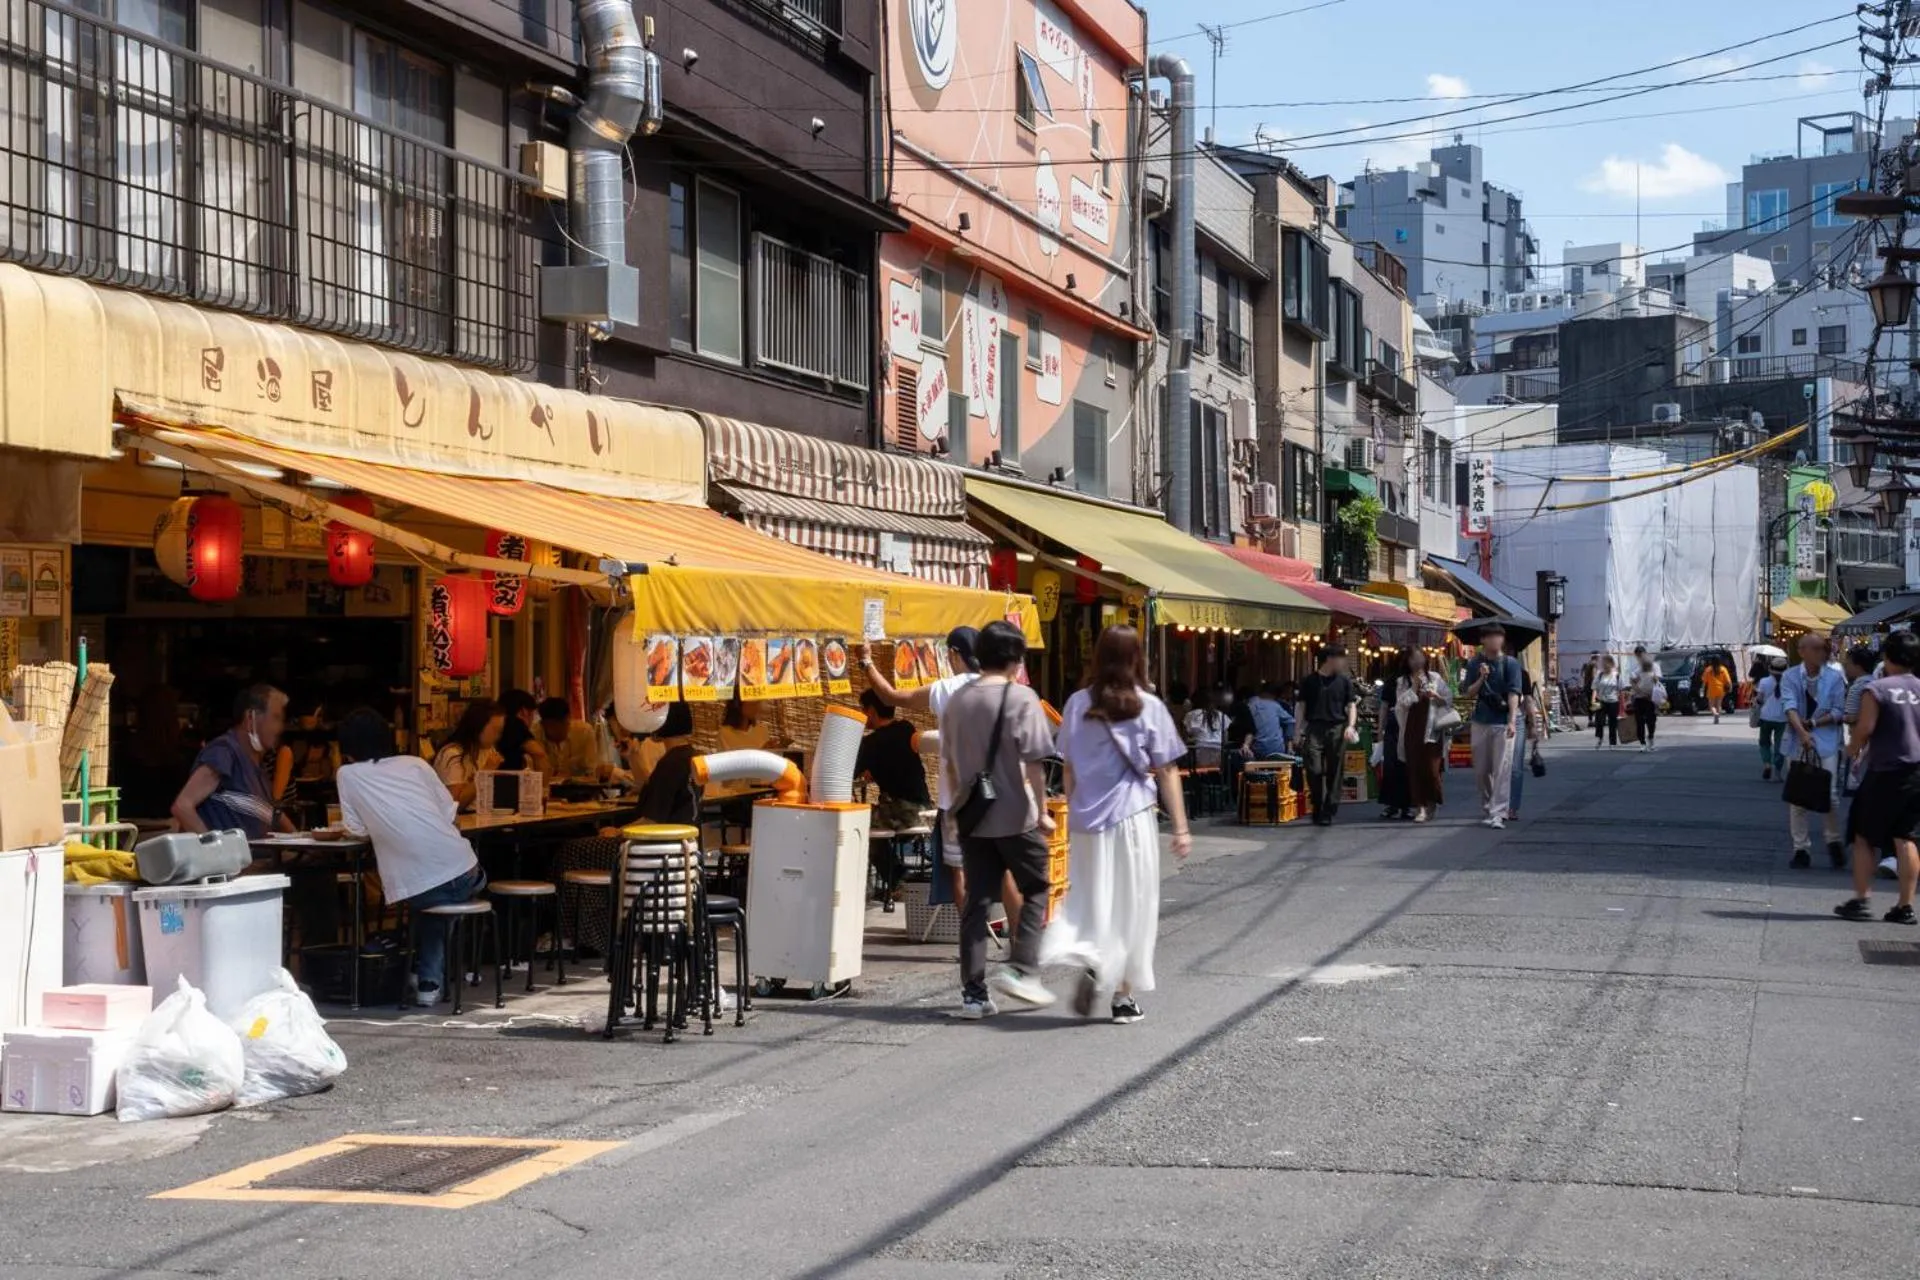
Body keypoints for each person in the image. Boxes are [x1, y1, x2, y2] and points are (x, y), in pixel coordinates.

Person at [1042, 626, 1191, 1025]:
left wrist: (1074, 812)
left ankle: (1094, 955)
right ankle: (1123, 997)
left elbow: (1068, 768)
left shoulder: (1076, 704)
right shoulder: (1149, 706)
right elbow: (1167, 770)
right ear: (1137, 659)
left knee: (1092, 898)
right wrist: (1180, 828)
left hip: (1087, 821)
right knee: (1134, 905)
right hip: (1133, 818)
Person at [937, 621, 1057, 1019]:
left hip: (974, 816)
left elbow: (950, 764)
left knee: (977, 902)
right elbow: (1036, 762)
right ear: (1016, 659)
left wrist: (956, 810)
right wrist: (1042, 811)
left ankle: (973, 994)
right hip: (1016, 815)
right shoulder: (1022, 698)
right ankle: (1023, 968)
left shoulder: (956, 701)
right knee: (1037, 885)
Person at [333, 708, 485, 1007]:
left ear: (347, 749)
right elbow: (449, 814)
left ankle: (425, 976)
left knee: (430, 900)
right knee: (440, 900)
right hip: (464, 867)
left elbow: (355, 829)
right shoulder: (415, 764)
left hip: (414, 885)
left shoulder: (347, 774)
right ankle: (424, 976)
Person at [863, 626, 984, 914]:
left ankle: (972, 939)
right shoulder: (997, 687)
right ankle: (1019, 941)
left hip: (956, 797)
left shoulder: (945, 689)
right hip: (994, 793)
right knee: (999, 869)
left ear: (955, 654)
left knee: (959, 871)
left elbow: (891, 696)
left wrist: (866, 661)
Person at [1834, 628, 1920, 925]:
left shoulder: (1878, 689)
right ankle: (1905, 905)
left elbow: (1865, 727)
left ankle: (1861, 899)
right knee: (1906, 838)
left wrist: (1852, 748)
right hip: (1916, 773)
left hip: (1885, 771)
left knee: (1863, 836)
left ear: (1887, 656)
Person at [171, 684, 293, 839]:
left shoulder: (256, 766)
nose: (280, 727)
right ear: (251, 718)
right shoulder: (223, 752)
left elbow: (269, 813)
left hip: (261, 860)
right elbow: (182, 806)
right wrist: (216, 849)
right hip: (233, 862)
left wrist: (302, 839)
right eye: (275, 718)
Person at [1781, 632, 1848, 869]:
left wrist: (1815, 725)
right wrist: (1802, 733)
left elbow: (1840, 711)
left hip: (1827, 740)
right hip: (1797, 741)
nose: (1823, 652)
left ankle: (1833, 839)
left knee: (1828, 794)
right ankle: (1801, 848)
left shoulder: (1835, 677)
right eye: (1817, 648)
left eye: (1824, 648)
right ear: (1802, 651)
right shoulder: (1790, 676)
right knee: (1798, 797)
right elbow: (1788, 707)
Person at [1463, 626, 1523, 829]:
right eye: (1492, 636)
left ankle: (1499, 812)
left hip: (1502, 721)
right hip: (1480, 720)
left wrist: (1512, 720)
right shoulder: (1474, 663)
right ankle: (1488, 806)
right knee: (1481, 770)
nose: (1497, 640)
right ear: (1483, 640)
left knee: (1502, 769)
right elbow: (1468, 692)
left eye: (1500, 636)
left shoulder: (1511, 663)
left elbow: (1514, 693)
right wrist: (1481, 678)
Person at [1294, 647, 1359, 827]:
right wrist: (1297, 731)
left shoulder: (1344, 681)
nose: (1343, 662)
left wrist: (1351, 726)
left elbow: (1351, 705)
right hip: (1314, 728)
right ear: (1329, 659)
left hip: (1337, 727)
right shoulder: (1309, 681)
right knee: (1313, 769)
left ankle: (1328, 809)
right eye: (1341, 658)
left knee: (1335, 770)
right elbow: (1301, 707)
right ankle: (1317, 803)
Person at [856, 689, 932, 833]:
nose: (862, 714)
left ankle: (875, 856)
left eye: (863, 709)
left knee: (856, 816)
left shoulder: (871, 743)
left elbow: (848, 775)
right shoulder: (907, 728)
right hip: (925, 809)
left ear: (871, 710)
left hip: (904, 814)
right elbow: (896, 763)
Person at [1395, 650, 1450, 822]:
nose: (1417, 661)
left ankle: (1432, 803)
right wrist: (1414, 687)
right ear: (1407, 661)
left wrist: (1436, 696)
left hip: (1432, 729)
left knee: (1432, 770)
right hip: (1412, 730)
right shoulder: (1402, 681)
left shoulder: (1435, 678)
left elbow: (1448, 699)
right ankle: (1420, 808)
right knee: (1415, 770)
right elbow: (1401, 705)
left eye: (1420, 657)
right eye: (1413, 658)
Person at [432, 699, 505, 811]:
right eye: (495, 730)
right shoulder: (452, 754)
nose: (498, 736)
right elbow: (454, 805)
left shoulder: (487, 751)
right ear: (478, 726)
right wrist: (485, 773)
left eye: (500, 731)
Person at [634, 703, 699, 825]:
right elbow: (645, 786)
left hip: (662, 839)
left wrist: (618, 831)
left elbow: (651, 821)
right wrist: (632, 756)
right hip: (687, 837)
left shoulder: (670, 764)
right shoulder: (692, 756)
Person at [1375, 674, 1411, 822]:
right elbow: (1384, 707)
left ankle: (1406, 806)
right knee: (1391, 765)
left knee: (1406, 766)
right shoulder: (1391, 683)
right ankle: (1392, 805)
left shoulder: (1416, 680)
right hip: (1393, 727)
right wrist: (1380, 730)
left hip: (1411, 726)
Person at [537, 697, 601, 781]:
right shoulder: (535, 734)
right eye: (549, 726)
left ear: (568, 720)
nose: (552, 732)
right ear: (542, 724)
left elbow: (592, 771)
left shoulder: (584, 732)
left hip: (579, 789)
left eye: (557, 727)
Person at [1508, 669, 1541, 822]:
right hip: (1493, 720)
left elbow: (1528, 699)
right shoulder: (1487, 668)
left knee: (1515, 767)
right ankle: (1494, 804)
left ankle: (1512, 807)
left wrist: (1533, 724)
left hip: (1518, 720)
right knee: (1495, 767)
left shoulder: (1520, 673)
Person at [495, 689, 548, 774]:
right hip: (509, 781)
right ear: (524, 711)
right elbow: (538, 753)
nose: (532, 720)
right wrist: (543, 783)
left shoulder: (498, 724)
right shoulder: (514, 723)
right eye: (532, 714)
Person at [1240, 682, 1296, 762]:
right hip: (1277, 749)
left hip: (1257, 750)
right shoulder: (1275, 705)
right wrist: (1289, 744)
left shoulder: (1249, 705)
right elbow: (1291, 721)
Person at [1755, 657, 1789, 780]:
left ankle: (1767, 764)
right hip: (1783, 718)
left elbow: (1759, 699)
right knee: (1780, 746)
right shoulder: (1789, 682)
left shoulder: (1764, 681)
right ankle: (1778, 772)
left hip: (1766, 716)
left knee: (1764, 742)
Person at [1627, 653, 1663, 752]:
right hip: (1639, 698)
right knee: (1639, 722)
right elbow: (1632, 680)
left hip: (1651, 699)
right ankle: (1642, 743)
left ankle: (1650, 737)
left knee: (1651, 721)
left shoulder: (1655, 667)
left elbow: (1658, 681)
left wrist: (1655, 678)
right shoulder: (1638, 669)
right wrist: (1638, 690)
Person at [1183, 688, 1228, 768]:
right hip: (1219, 756)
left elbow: (1185, 738)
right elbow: (1225, 739)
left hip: (1200, 754)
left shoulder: (1191, 715)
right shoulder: (1222, 715)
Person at [1592, 655, 1624, 748]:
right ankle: (1599, 738)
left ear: (1612, 664)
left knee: (1612, 722)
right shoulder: (1599, 674)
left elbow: (1621, 690)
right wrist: (1593, 700)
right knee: (1599, 721)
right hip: (1600, 700)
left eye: (1607, 663)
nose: (1604, 665)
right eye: (1603, 663)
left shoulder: (1617, 676)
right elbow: (1594, 688)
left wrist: (1623, 705)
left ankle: (1612, 742)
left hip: (1613, 701)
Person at [1702, 659, 1732, 724]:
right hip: (1720, 689)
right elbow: (1728, 680)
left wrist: (1702, 689)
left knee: (1711, 706)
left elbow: (1704, 681)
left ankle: (1715, 714)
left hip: (1711, 689)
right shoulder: (1723, 669)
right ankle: (1717, 717)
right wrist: (1730, 687)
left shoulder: (1708, 670)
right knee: (1719, 705)